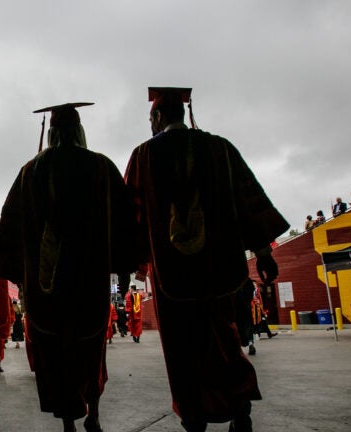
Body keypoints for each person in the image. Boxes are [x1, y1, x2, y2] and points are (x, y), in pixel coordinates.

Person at [124, 87, 289, 432]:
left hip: (172, 276)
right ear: (182, 115)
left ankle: (194, 417)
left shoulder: (142, 157)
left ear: (156, 117)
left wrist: (131, 265)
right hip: (220, 271)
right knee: (224, 340)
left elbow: (131, 217)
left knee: (182, 350)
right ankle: (240, 406)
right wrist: (263, 253)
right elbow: (250, 201)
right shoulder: (220, 149)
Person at [0, 102, 136, 432]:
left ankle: (69, 422)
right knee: (91, 347)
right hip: (90, 277)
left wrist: (21, 276)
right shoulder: (101, 167)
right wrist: (125, 268)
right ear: (80, 132)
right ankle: (94, 413)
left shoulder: (31, 171)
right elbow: (125, 220)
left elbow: (11, 223)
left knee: (56, 352)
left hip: (47, 283)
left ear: (52, 133)